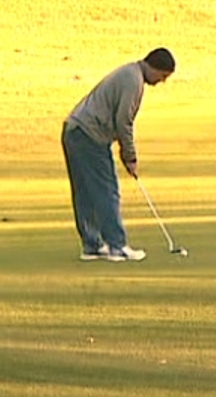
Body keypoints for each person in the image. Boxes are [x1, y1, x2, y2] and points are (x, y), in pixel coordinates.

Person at [62, 48, 175, 261]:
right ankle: (117, 246)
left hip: (74, 130)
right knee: (107, 190)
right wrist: (130, 156)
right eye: (162, 76)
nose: (161, 82)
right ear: (154, 67)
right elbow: (124, 121)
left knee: (85, 192)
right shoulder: (134, 81)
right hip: (88, 135)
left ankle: (92, 245)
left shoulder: (130, 72)